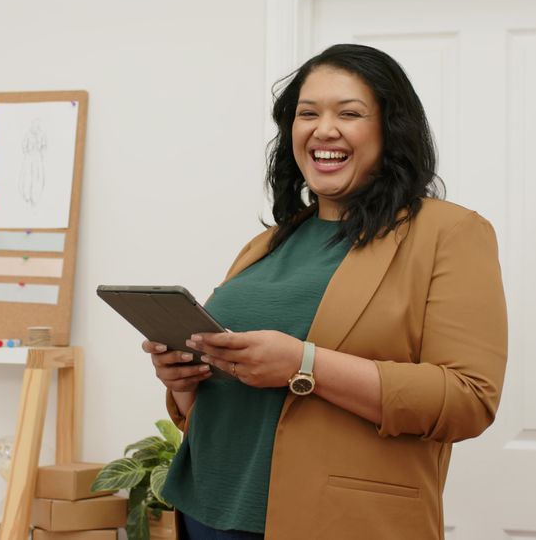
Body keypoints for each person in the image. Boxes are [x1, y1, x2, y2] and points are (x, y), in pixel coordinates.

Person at [142, 44, 508, 540]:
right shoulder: (267, 244)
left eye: (350, 113)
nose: (323, 128)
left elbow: (468, 400)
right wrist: (184, 385)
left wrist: (305, 365)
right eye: (307, 113)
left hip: (336, 523)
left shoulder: (449, 233)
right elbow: (236, 405)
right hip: (206, 513)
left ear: (390, 129)